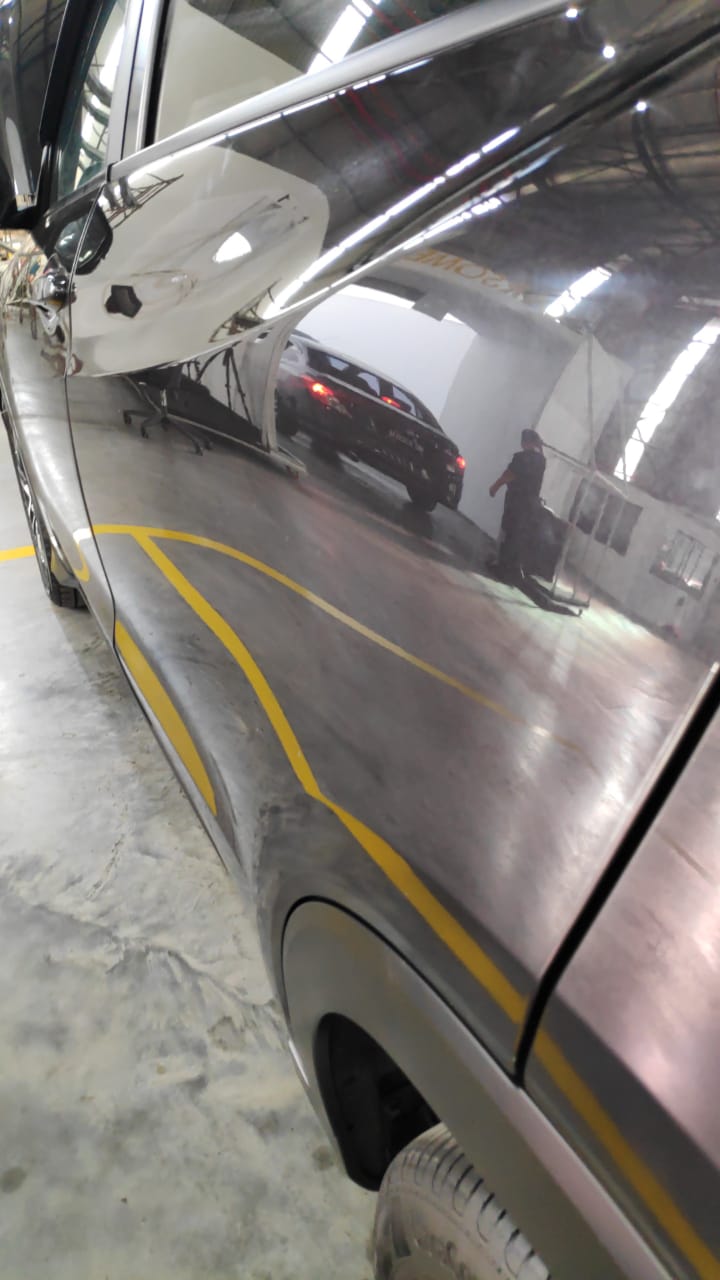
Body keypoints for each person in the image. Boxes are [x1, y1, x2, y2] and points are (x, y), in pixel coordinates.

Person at [489, 429, 546, 581]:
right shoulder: (541, 461)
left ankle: (502, 567)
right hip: (530, 505)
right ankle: (513, 569)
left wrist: (495, 487)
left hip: (516, 502)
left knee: (508, 533)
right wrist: (540, 446)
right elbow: (541, 455)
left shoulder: (520, 458)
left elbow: (509, 475)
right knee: (519, 535)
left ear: (524, 442)